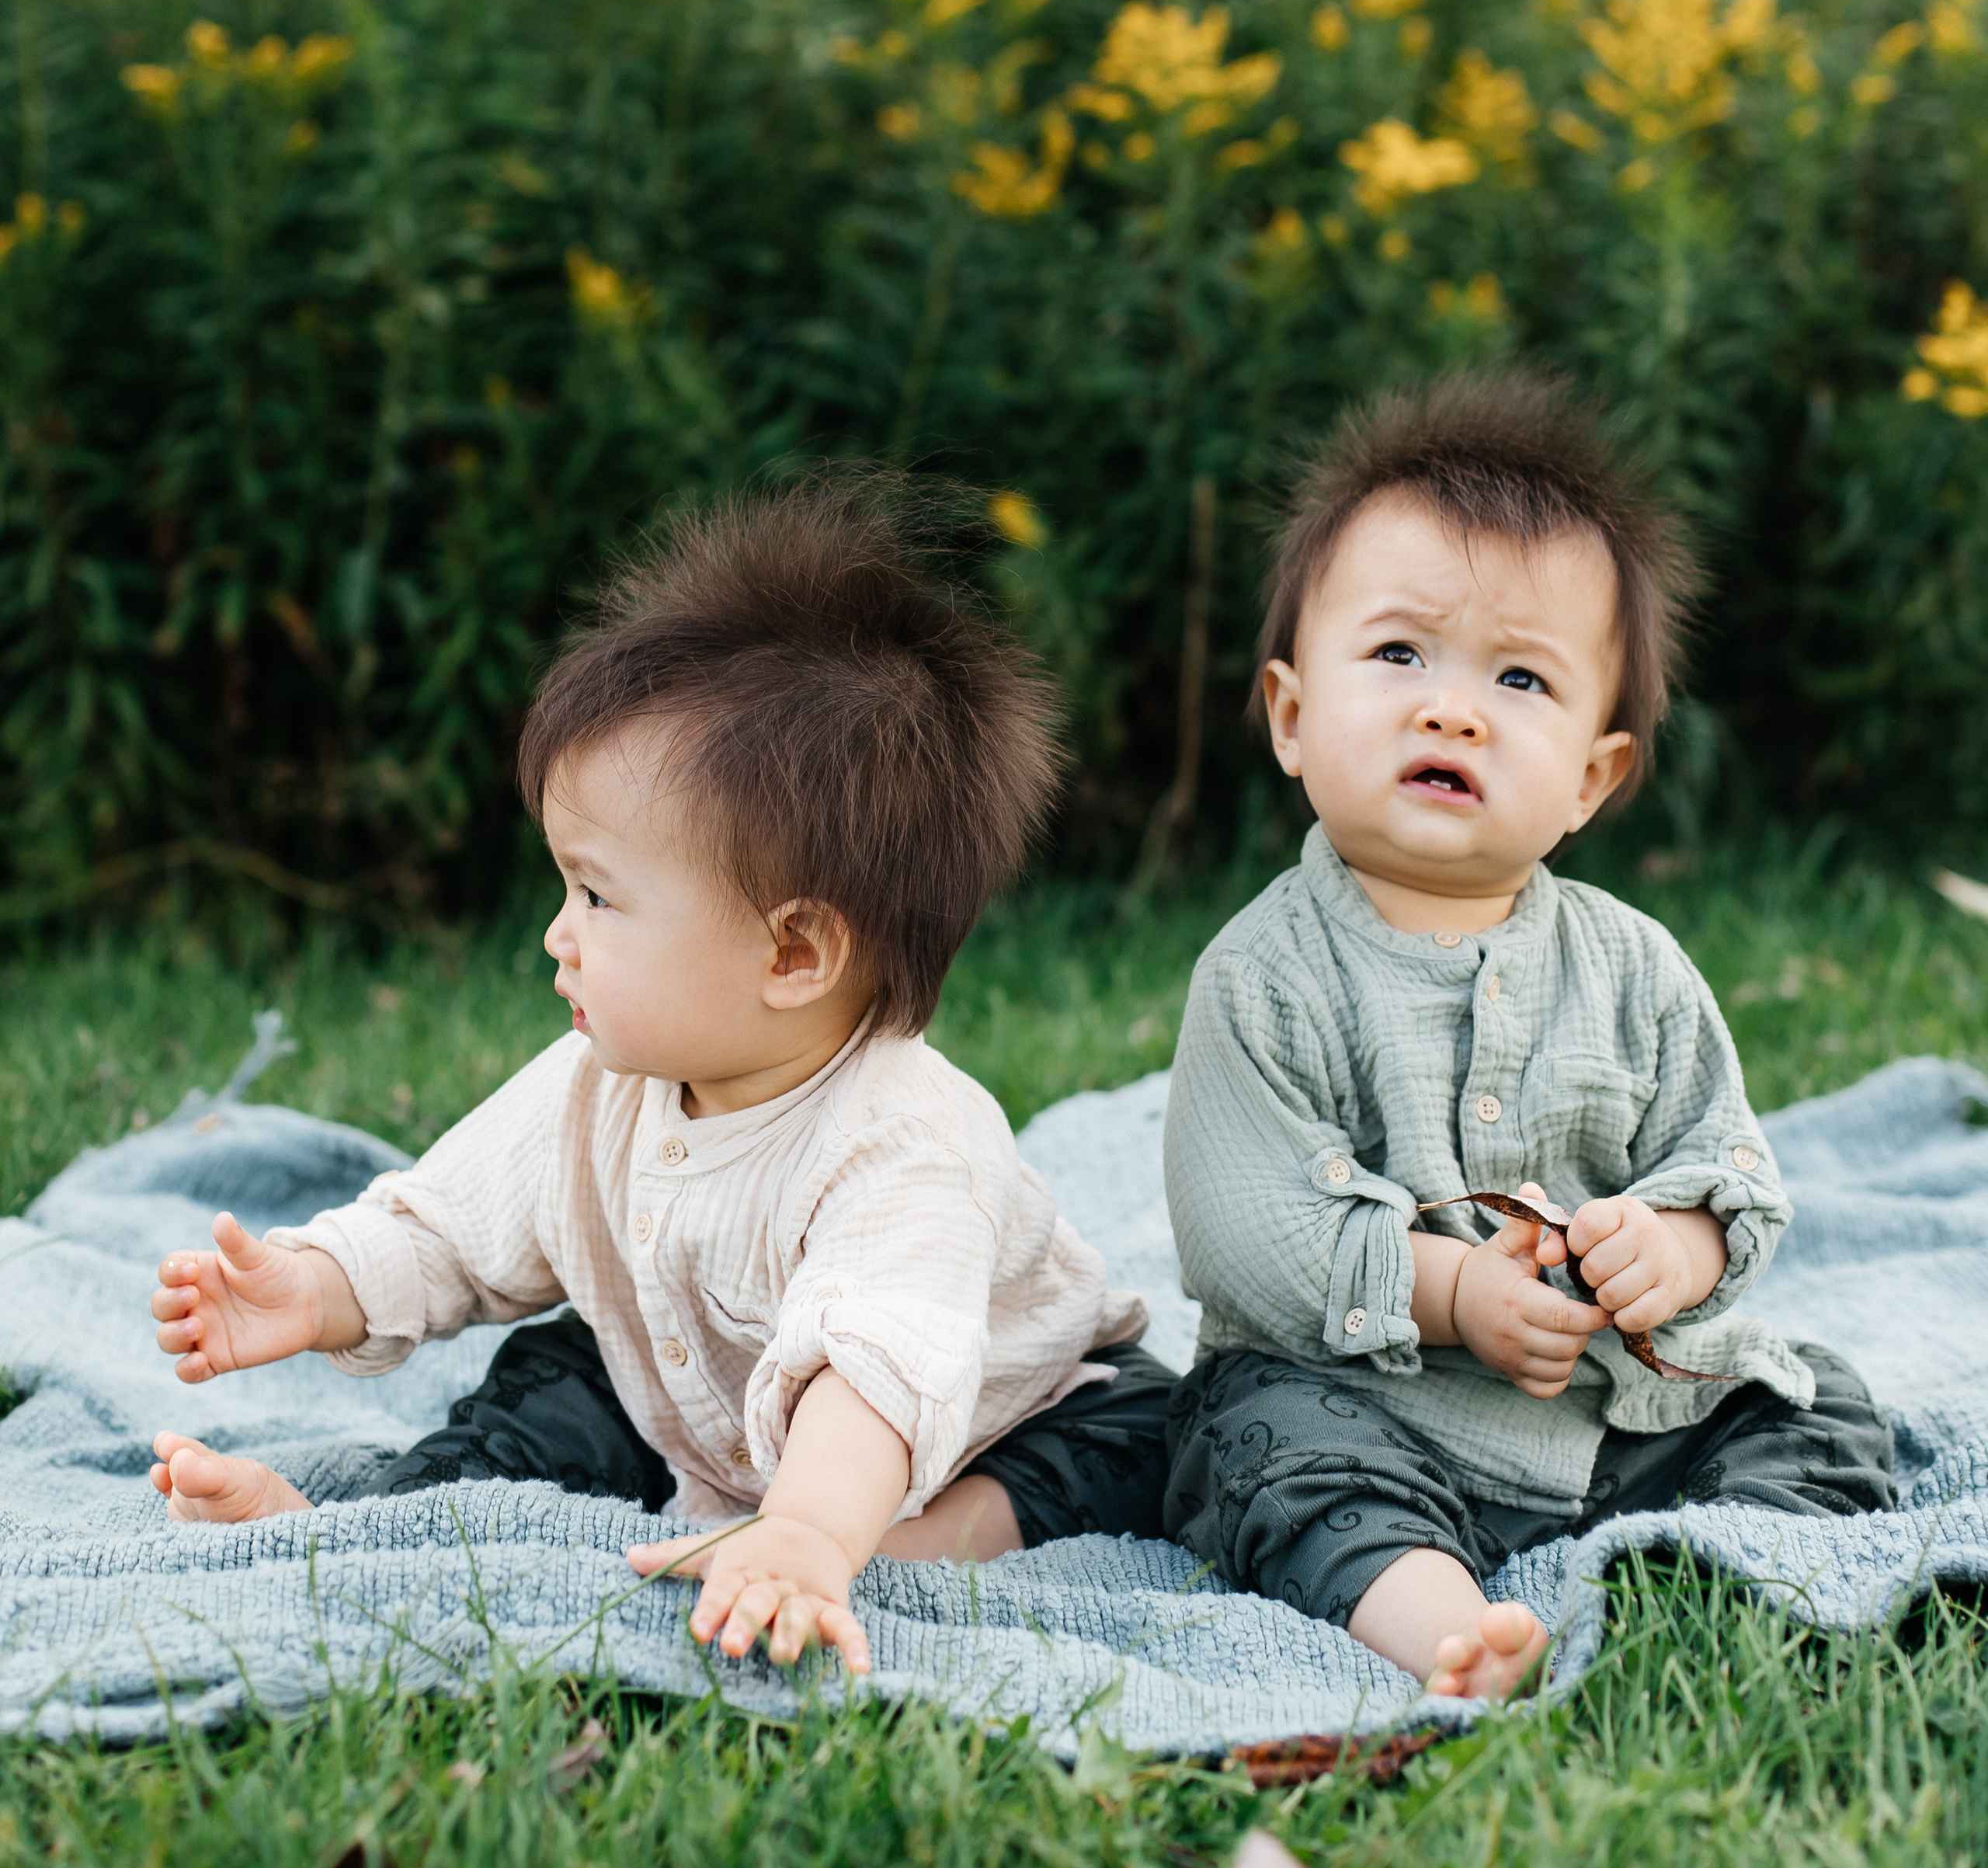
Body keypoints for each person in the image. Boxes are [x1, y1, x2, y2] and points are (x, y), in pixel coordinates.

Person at [148, 478, 1175, 1673]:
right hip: (689, 1398)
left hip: (983, 1419)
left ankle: (892, 1553)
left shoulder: (906, 1147)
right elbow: (451, 1227)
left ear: (793, 951)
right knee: (547, 1380)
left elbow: (879, 1379)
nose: (556, 935)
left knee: (1129, 1448)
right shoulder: (598, 1082)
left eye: (597, 895)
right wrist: (313, 1286)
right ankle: (388, 1530)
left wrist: (804, 1528)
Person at [1161, 369, 1896, 1702]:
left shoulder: (1636, 971)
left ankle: (1717, 1574)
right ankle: (1439, 1622)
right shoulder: (1262, 977)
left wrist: (1667, 1249)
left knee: (1820, 1406)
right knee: (1250, 1436)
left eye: (1519, 677)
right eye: (1398, 655)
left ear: (1592, 779)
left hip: (1606, 1414)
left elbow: (1728, 1168)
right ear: (1289, 715)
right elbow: (1242, 1226)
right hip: (1374, 1412)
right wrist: (1449, 1294)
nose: (1454, 709)